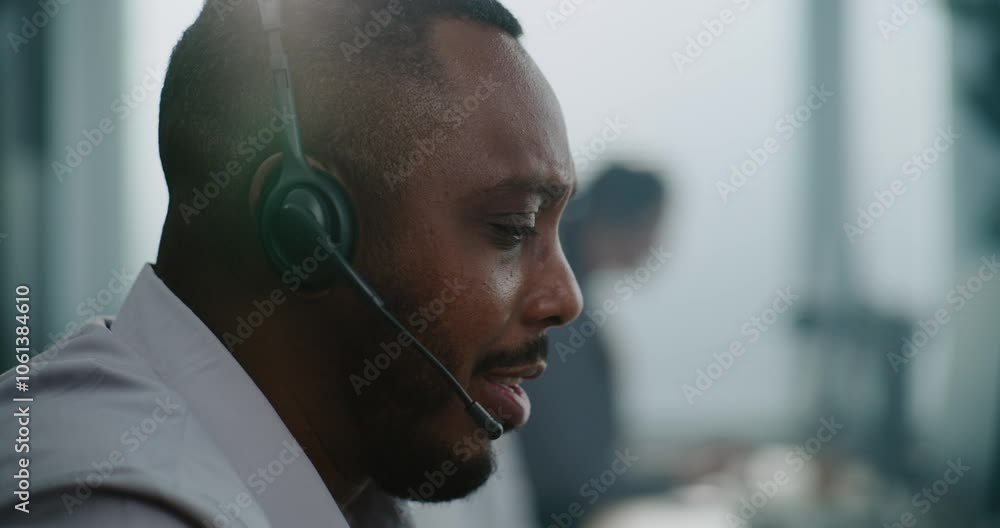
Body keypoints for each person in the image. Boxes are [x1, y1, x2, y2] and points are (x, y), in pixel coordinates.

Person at [0, 0, 584, 526]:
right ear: (303, 228)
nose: (566, 298)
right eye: (513, 228)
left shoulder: (344, 486)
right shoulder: (114, 507)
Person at [518, 163, 669, 527]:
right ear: (628, 220)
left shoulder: (568, 286)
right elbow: (571, 475)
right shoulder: (557, 304)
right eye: (655, 226)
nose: (657, 243)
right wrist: (671, 481)